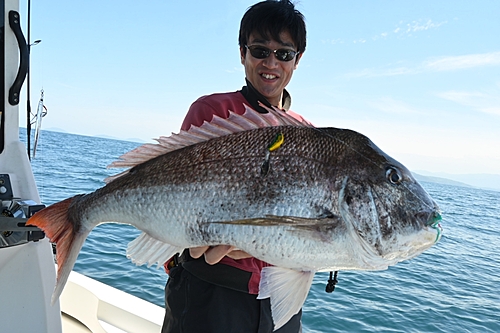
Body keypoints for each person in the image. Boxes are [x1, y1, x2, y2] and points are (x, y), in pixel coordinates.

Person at [161, 1, 308, 332]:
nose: (271, 63)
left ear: (297, 60)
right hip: (211, 292)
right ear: (243, 53)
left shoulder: (306, 132)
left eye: (284, 54)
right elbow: (183, 191)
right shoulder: (212, 112)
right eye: (260, 50)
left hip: (280, 297)